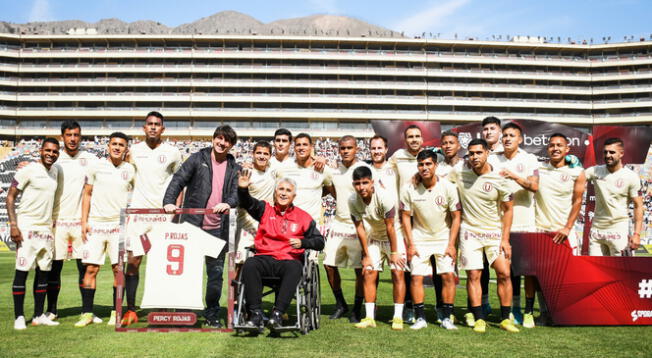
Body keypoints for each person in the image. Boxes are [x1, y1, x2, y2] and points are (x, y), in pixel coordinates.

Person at [163, 125, 240, 328]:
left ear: (231, 145)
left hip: (218, 229)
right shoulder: (198, 158)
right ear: (213, 138)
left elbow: (236, 193)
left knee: (215, 276)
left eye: (227, 141)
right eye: (219, 138)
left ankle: (212, 313)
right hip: (193, 227)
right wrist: (169, 202)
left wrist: (229, 203)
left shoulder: (234, 167)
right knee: (188, 272)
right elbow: (178, 179)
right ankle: (183, 313)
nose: (222, 143)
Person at [238, 173, 325, 331]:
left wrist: (303, 242)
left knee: (295, 267)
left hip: (287, 261)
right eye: (281, 189)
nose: (284, 193)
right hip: (264, 259)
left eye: (288, 190)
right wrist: (243, 189)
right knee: (250, 264)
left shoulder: (303, 217)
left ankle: (277, 314)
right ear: (275, 192)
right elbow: (247, 203)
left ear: (294, 195)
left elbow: (320, 242)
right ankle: (256, 314)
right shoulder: (265, 209)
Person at [449, 138, 519, 333]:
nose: (474, 157)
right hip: (469, 232)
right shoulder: (459, 172)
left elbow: (508, 210)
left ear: (488, 153)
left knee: (504, 273)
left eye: (479, 153)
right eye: (471, 153)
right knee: (474, 274)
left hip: (494, 233)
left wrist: (505, 239)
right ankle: (479, 318)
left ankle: (505, 318)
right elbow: (441, 183)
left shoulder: (499, 178)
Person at [122, 111, 182, 326]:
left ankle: (163, 307)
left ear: (163, 129)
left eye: (157, 124)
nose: (154, 127)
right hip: (139, 215)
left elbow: (179, 181)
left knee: (161, 263)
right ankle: (130, 309)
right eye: (150, 124)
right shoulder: (135, 151)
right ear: (144, 128)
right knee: (134, 261)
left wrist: (176, 208)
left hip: (163, 216)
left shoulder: (173, 152)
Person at [76, 132, 136, 327]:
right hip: (96, 224)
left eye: (121, 145)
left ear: (126, 148)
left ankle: (115, 311)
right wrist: (84, 222)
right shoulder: (96, 167)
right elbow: (87, 194)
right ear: (108, 146)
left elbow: (138, 196)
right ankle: (86, 313)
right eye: (114, 144)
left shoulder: (131, 169)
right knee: (91, 269)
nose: (117, 147)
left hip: (119, 225)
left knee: (118, 270)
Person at [47, 121, 101, 323]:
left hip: (81, 223)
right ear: (62, 136)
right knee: (55, 268)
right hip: (57, 221)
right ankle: (52, 310)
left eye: (76, 135)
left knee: (85, 267)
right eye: (68, 135)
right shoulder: (54, 158)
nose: (72, 139)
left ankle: (87, 311)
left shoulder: (91, 159)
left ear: (81, 137)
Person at [401, 150, 461, 330]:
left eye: (428, 164)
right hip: (419, 237)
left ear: (435, 165)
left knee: (448, 276)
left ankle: (447, 317)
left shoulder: (448, 187)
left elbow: (456, 217)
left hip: (443, 237)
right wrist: (410, 244)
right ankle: (420, 318)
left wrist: (451, 244)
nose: (424, 168)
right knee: (416, 277)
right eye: (421, 164)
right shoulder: (409, 188)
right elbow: (405, 216)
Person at [488, 123, 539, 325]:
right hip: (499, 225)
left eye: (512, 135)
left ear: (520, 139)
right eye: (505, 135)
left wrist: (514, 176)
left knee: (528, 271)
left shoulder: (529, 159)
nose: (507, 138)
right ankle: (513, 309)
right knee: (508, 271)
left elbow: (534, 186)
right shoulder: (493, 159)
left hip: (525, 222)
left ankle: (528, 311)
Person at [8, 138, 61, 330]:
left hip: (46, 229)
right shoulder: (28, 170)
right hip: (27, 227)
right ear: (41, 150)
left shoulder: (55, 171)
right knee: (22, 272)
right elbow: (11, 196)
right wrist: (13, 224)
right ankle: (19, 316)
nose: (51, 154)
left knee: (43, 274)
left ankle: (39, 315)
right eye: (48, 150)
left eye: (55, 151)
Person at [534, 133, 586, 327]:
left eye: (559, 145)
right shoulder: (538, 170)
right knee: (540, 277)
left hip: (565, 232)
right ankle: (544, 313)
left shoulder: (577, 172)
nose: (555, 148)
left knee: (568, 275)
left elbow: (578, 201)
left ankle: (567, 313)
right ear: (547, 148)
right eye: (551, 145)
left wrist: (567, 227)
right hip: (540, 230)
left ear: (567, 149)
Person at [349, 166, 407, 330]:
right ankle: (369, 317)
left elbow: (390, 227)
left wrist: (394, 253)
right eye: (358, 183)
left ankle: (397, 317)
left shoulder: (384, 197)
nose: (362, 187)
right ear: (354, 184)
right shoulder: (352, 200)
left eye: (365, 183)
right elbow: (359, 228)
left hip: (393, 236)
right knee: (368, 271)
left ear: (372, 182)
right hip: (373, 237)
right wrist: (366, 254)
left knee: (397, 272)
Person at [323, 136, 368, 323]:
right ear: (338, 150)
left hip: (359, 224)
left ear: (356, 149)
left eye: (349, 148)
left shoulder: (365, 169)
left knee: (360, 269)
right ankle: (340, 303)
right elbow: (332, 190)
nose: (346, 151)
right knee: (328, 264)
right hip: (338, 222)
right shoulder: (335, 171)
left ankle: (357, 308)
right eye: (342, 148)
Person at [388, 125, 424, 323]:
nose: (414, 140)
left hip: (426, 217)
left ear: (422, 138)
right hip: (404, 216)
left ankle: (441, 309)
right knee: (408, 264)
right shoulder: (397, 157)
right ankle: (409, 307)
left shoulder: (431, 157)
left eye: (417, 136)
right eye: (410, 137)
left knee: (429, 265)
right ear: (405, 139)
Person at [586, 137, 643, 256]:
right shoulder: (595, 171)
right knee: (595, 271)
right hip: (597, 231)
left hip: (618, 231)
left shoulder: (631, 176)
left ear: (621, 153)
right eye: (605, 152)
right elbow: (576, 178)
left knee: (619, 272)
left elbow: (638, 205)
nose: (608, 155)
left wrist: (637, 234)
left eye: (612, 152)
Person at [273, 133, 335, 224]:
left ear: (311, 147)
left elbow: (334, 191)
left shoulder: (323, 169)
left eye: (305, 144)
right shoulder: (283, 168)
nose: (301, 148)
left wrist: (317, 193)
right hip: (287, 226)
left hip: (311, 228)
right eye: (298, 145)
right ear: (294, 148)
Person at [234, 141, 275, 269]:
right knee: (239, 265)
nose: (262, 156)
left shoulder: (274, 171)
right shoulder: (246, 173)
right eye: (258, 153)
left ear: (270, 156)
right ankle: (235, 290)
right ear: (253, 154)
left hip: (267, 226)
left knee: (266, 267)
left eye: (265, 154)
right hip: (246, 225)